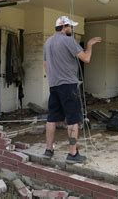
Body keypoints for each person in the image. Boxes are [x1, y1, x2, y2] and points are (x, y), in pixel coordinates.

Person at [42, 16, 102, 164]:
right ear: (64, 26)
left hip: (54, 85)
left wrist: (54, 77)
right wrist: (89, 45)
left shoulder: (47, 42)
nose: (72, 29)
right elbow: (86, 58)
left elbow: (45, 65)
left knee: (51, 119)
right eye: (70, 27)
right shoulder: (68, 40)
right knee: (73, 120)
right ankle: (72, 153)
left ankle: (48, 150)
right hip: (68, 85)